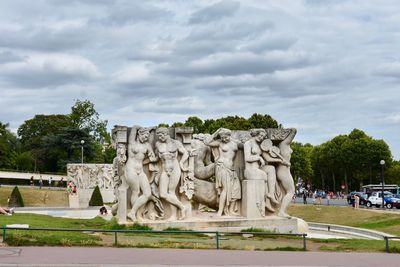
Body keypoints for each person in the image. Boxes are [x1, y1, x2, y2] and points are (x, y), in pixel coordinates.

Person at [205, 128, 241, 216]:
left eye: (226, 137)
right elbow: (207, 142)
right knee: (225, 189)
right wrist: (216, 132)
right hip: (222, 167)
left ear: (229, 135)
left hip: (231, 169)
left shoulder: (235, 143)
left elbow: (244, 145)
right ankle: (220, 211)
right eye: (222, 138)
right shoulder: (219, 143)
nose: (224, 139)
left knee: (236, 188)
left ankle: (231, 210)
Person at [155, 127, 189, 220]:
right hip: (164, 169)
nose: (160, 138)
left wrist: (181, 162)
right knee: (162, 194)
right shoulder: (158, 144)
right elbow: (157, 159)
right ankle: (182, 207)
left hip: (175, 168)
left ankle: (173, 216)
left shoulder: (176, 143)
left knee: (171, 191)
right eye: (158, 136)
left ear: (166, 133)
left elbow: (185, 153)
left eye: (161, 135)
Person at [124, 126, 157, 221]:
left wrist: (157, 158)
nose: (146, 138)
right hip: (130, 169)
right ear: (139, 134)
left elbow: (152, 158)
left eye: (147, 137)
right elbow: (134, 127)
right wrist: (150, 128)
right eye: (144, 136)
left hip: (140, 170)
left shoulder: (147, 146)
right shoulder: (132, 142)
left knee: (147, 193)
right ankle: (137, 215)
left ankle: (132, 213)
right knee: (136, 192)